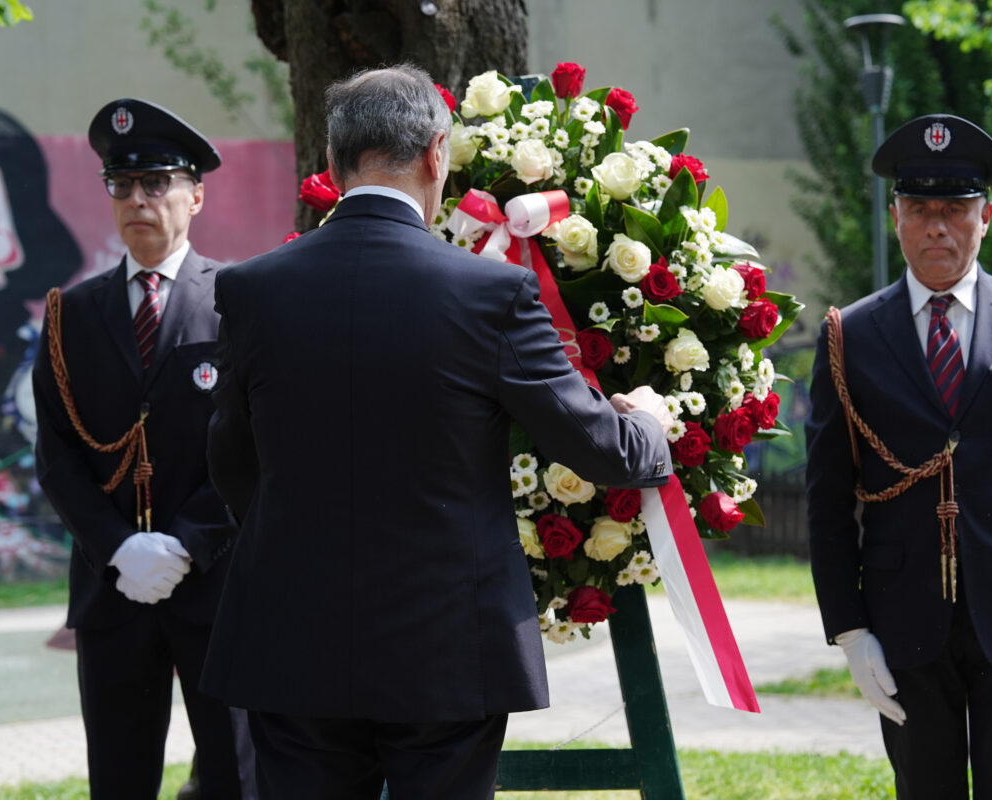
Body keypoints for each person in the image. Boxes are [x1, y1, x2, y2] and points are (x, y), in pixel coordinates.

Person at [200, 64, 674, 800]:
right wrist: (648, 421)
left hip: (292, 632)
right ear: (435, 153)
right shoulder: (491, 292)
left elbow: (231, 458)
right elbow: (597, 448)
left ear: (332, 161)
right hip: (447, 642)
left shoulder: (252, 288)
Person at [805, 113, 992, 799]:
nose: (936, 227)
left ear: (986, 218)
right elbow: (827, 500)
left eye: (955, 210)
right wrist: (849, 629)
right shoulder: (850, 336)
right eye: (919, 209)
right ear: (895, 217)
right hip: (903, 616)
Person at [32, 98, 253, 799]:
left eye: (156, 183)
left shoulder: (240, 303)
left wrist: (185, 542)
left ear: (196, 195)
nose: (137, 200)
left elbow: (256, 444)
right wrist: (119, 548)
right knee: (119, 779)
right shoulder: (71, 313)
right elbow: (56, 453)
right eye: (121, 184)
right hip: (113, 589)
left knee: (235, 778)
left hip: (216, 587)